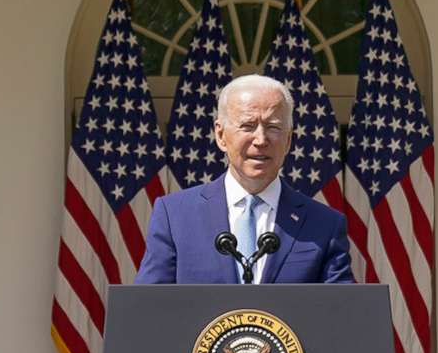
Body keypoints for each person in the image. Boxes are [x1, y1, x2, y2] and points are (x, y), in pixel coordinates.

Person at [136, 74, 354, 284]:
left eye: (273, 127)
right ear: (221, 135)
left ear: (288, 140)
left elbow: (341, 312)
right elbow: (149, 307)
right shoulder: (174, 216)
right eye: (248, 126)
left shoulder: (325, 224)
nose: (261, 139)